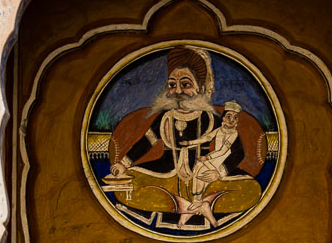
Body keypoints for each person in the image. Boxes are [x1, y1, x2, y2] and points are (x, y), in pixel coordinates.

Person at [105, 46, 265, 228]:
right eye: (172, 85)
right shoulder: (166, 117)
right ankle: (197, 206)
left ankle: (184, 205)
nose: (177, 90)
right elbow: (146, 142)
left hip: (206, 178)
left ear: (202, 87)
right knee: (126, 188)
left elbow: (237, 152)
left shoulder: (213, 119)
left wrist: (219, 172)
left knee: (252, 190)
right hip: (166, 176)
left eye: (185, 84)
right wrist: (124, 164)